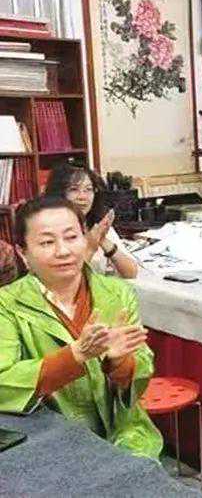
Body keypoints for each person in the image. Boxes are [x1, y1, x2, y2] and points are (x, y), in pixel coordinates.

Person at [0, 196, 161, 459]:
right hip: (45, 442)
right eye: (47, 242)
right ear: (23, 253)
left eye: (72, 237)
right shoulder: (6, 304)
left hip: (126, 435)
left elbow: (141, 375)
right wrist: (74, 356)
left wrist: (119, 362)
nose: (63, 251)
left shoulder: (118, 293)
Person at [45, 164, 138, 278]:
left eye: (88, 189)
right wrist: (90, 247)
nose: (82, 197)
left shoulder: (97, 224)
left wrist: (104, 241)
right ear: (59, 194)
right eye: (74, 189)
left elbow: (131, 273)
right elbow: (67, 281)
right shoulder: (49, 231)